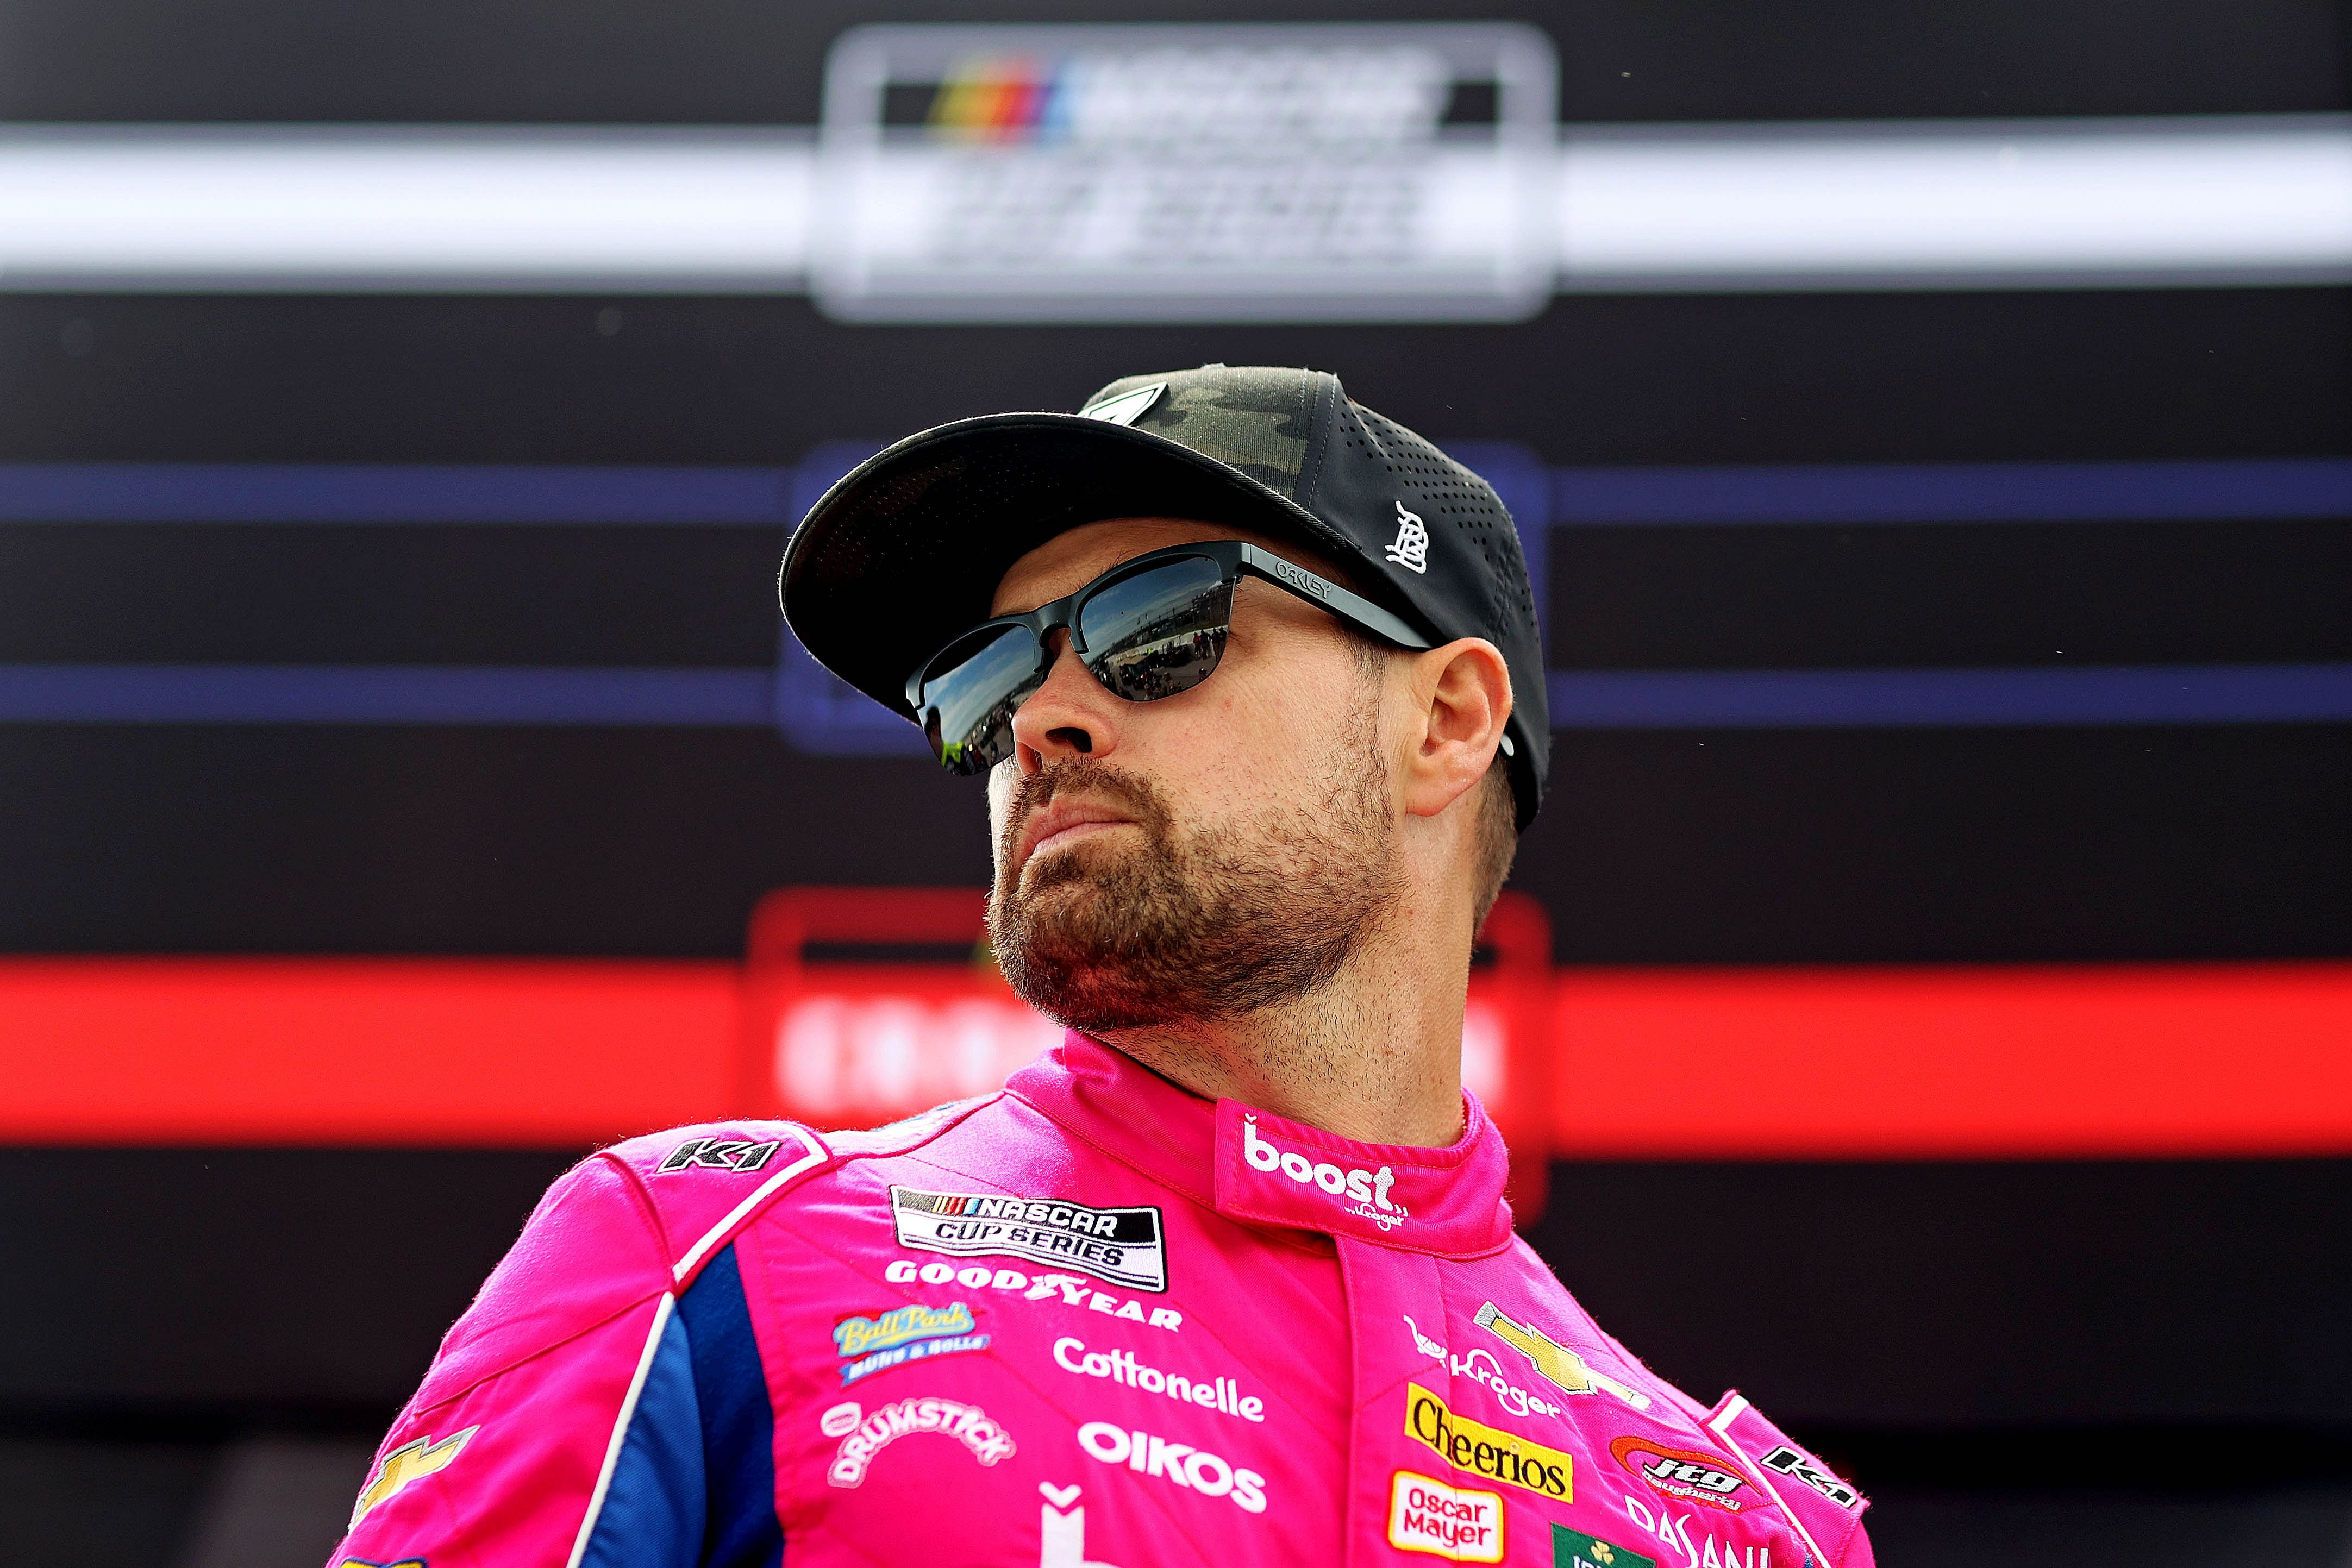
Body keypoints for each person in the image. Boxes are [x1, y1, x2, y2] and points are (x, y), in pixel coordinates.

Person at [330, 366, 1873, 1568]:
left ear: (1449, 722)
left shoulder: (1739, 1526)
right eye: (990, 676)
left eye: (1161, 625)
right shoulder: (698, 1267)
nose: (1044, 721)